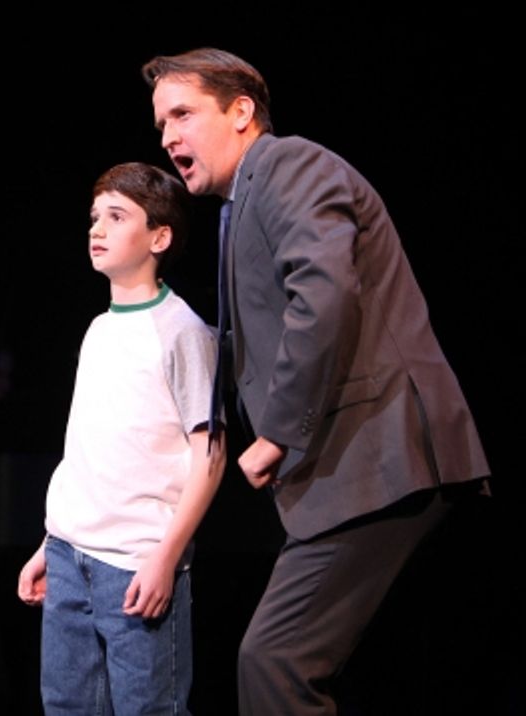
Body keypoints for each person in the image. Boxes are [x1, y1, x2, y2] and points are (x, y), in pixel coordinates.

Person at [143, 48, 490, 714]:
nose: (167, 137)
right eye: (161, 124)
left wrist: (278, 431)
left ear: (241, 111)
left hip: (379, 453)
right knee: (299, 663)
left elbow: (324, 294)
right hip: (353, 465)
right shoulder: (238, 203)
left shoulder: (285, 164)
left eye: (183, 114)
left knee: (274, 662)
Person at [17, 162, 225, 715]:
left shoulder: (181, 331)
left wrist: (167, 555)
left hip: (136, 567)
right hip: (69, 558)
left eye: (116, 216)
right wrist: (50, 542)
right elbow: (91, 452)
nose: (96, 230)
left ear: (159, 236)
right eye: (94, 218)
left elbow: (210, 452)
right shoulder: (99, 329)